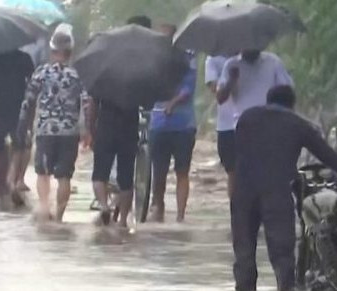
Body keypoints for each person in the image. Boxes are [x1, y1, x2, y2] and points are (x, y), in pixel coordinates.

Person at [231, 85, 337, 291]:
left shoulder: (246, 118)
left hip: (243, 193)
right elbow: (328, 156)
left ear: (268, 101)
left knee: (244, 254)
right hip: (276, 194)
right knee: (282, 257)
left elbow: (235, 152)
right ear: (292, 105)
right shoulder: (297, 124)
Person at [88, 15, 151, 227]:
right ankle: (123, 220)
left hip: (106, 125)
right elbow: (147, 101)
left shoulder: (103, 72)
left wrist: (90, 130)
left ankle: (104, 206)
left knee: (100, 173)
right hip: (129, 126)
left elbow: (93, 104)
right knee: (126, 176)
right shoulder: (138, 74)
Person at [17, 29, 85, 222]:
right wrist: (87, 129)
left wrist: (23, 125)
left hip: (46, 130)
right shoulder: (76, 75)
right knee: (64, 176)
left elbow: (28, 101)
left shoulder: (42, 73)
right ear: (70, 52)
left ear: (52, 50)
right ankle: (59, 218)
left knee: (43, 172)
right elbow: (86, 104)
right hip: (69, 132)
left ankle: (45, 208)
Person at [216, 49, 293, 197]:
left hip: (270, 126)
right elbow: (220, 98)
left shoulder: (273, 62)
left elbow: (287, 91)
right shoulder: (231, 65)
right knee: (241, 174)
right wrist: (231, 80)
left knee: (268, 171)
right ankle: (239, 211)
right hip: (242, 127)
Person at [148, 24, 197, 223]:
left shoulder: (188, 61)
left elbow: (188, 89)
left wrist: (173, 103)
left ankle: (180, 215)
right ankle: (157, 208)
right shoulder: (153, 62)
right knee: (158, 171)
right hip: (159, 123)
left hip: (183, 125)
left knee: (182, 171)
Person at [0, 48, 34, 206]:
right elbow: (32, 83)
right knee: (19, 145)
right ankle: (13, 180)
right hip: (18, 106)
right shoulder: (24, 58)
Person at [204, 55, 237, 197]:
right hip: (227, 124)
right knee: (233, 172)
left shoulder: (252, 58)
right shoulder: (213, 59)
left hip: (252, 124)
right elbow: (216, 91)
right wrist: (231, 81)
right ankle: (236, 212)